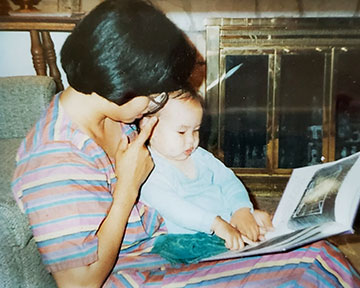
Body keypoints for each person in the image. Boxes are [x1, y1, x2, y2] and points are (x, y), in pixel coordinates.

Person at [11, 0, 360, 287]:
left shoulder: (116, 114)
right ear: (123, 82)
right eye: (156, 94)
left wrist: (236, 214)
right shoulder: (55, 158)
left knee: (313, 252)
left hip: (178, 246)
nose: (158, 105)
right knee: (311, 268)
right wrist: (127, 189)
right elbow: (79, 284)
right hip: (140, 274)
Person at [140, 90, 273, 250]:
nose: (191, 140)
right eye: (182, 132)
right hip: (191, 240)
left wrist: (242, 209)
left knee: (264, 225)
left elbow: (229, 182)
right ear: (149, 128)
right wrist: (217, 225)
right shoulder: (148, 167)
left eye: (196, 130)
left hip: (224, 223)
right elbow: (176, 208)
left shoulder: (201, 156)